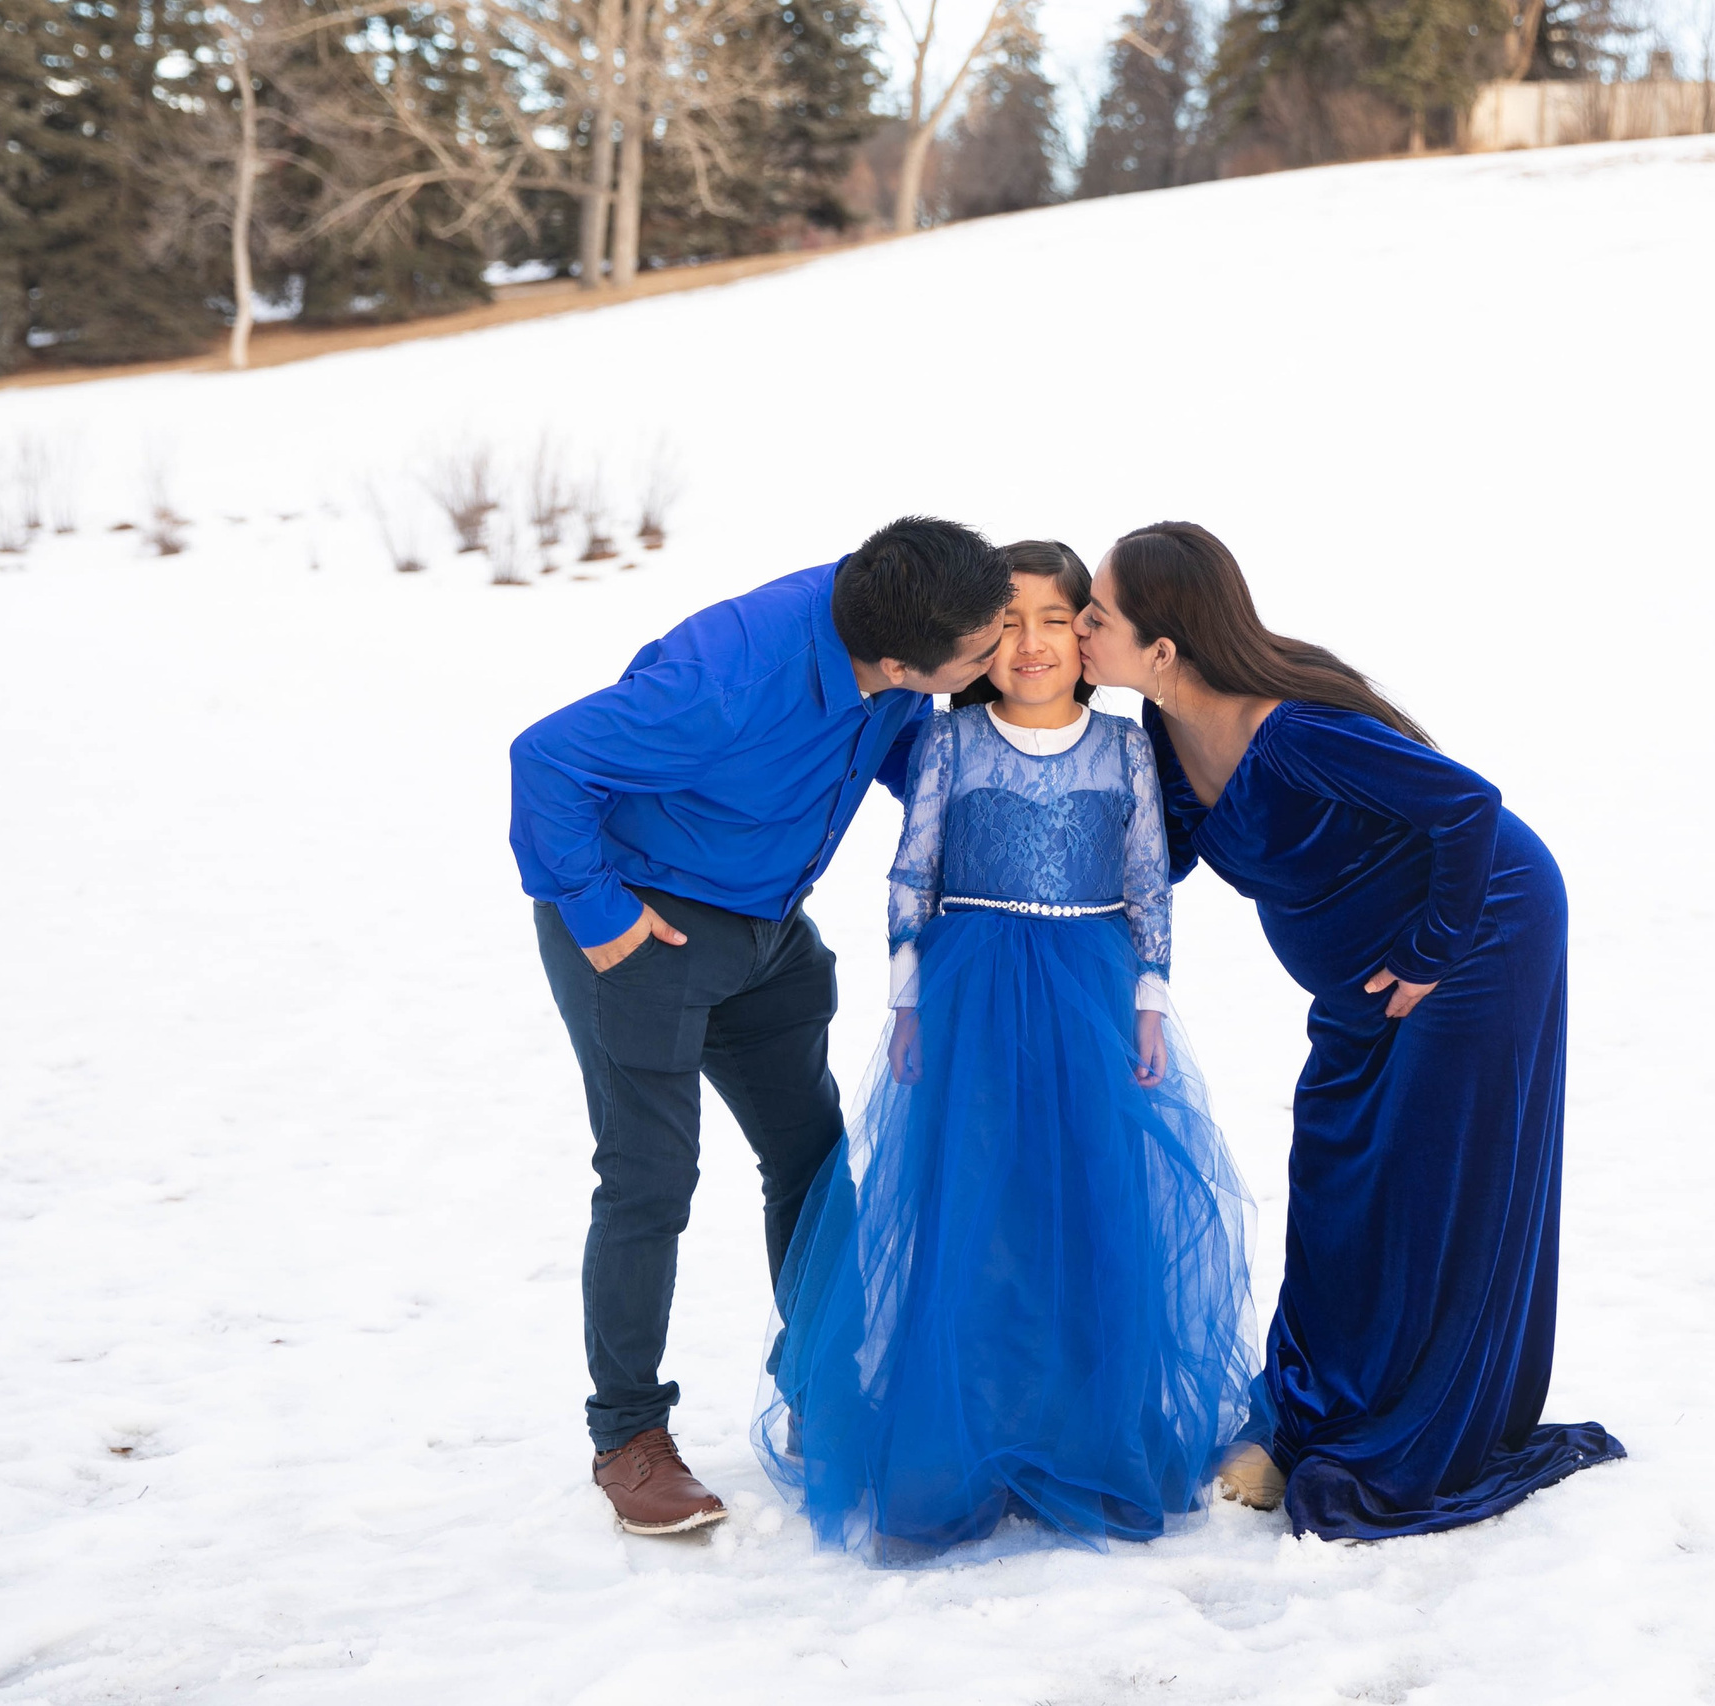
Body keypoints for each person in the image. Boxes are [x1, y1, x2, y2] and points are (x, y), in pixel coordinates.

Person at [1073, 521, 1624, 1542]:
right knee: (1333, 1162)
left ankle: (1409, 1427)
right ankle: (1317, 1404)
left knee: (1422, 1174)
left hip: (1476, 931)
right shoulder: (1163, 731)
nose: (1079, 625)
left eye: (1096, 614)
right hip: (1368, 976)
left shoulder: (1296, 730)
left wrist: (1428, 948)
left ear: (1161, 647)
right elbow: (1170, 855)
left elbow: (1466, 807)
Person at [509, 517, 1013, 1535]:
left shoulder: (890, 634)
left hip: (767, 930)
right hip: (643, 921)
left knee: (815, 1157)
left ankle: (827, 1383)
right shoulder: (726, 679)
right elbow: (546, 758)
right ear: (900, 659)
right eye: (979, 649)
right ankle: (629, 1437)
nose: (997, 654)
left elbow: (904, 741)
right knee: (649, 1175)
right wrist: (599, 913)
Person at [753, 541, 1257, 1559]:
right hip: (969, 987)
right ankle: (961, 1437)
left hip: (1091, 987)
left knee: (1085, 1196)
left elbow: (1148, 874)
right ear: (981, 643)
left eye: (1054, 619)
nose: (1032, 643)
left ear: (1087, 633)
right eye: (1008, 622)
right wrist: (906, 998)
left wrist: (1150, 995)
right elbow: (912, 871)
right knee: (970, 1202)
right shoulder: (952, 744)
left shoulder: (1122, 744)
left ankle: (1082, 1431)